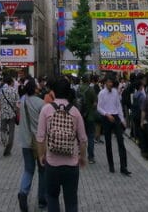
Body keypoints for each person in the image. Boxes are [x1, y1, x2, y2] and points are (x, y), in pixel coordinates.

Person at [36, 76, 87, 212]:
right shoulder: (75, 111)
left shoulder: (46, 110)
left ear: (54, 92)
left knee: (52, 197)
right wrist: (82, 157)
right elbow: (83, 139)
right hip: (71, 164)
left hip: (52, 163)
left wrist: (41, 155)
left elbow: (40, 137)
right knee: (71, 200)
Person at [16, 77, 47, 212]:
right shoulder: (41, 103)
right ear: (35, 89)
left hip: (25, 141)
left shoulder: (22, 102)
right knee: (42, 171)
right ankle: (42, 199)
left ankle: (23, 192)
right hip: (39, 142)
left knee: (28, 170)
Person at [95, 76, 130, 176]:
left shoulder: (115, 92)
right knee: (108, 143)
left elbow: (118, 106)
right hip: (106, 118)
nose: (110, 84)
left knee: (121, 142)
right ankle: (111, 165)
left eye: (111, 82)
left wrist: (122, 119)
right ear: (105, 83)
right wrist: (106, 114)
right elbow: (99, 107)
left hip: (116, 117)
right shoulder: (101, 93)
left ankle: (124, 167)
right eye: (109, 82)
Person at [0, 75, 19, 156]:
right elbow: (17, 104)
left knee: (2, 130)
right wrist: (18, 113)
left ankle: (4, 142)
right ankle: (8, 147)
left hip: (3, 113)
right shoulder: (14, 91)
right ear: (11, 82)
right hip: (12, 114)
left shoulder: (2, 90)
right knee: (11, 131)